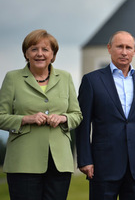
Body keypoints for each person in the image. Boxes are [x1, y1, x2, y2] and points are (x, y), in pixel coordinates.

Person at [75, 31, 135, 200]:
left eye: (128, 47)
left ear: (134, 51)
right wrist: (85, 159)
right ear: (109, 48)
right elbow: (83, 124)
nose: (124, 52)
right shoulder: (92, 81)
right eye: (119, 47)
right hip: (102, 165)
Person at [0, 29, 83, 200]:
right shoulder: (13, 78)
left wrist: (63, 118)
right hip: (23, 161)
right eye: (34, 49)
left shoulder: (66, 77)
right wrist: (25, 119)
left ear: (53, 55)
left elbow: (77, 115)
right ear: (26, 53)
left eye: (45, 50)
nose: (40, 54)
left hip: (59, 162)